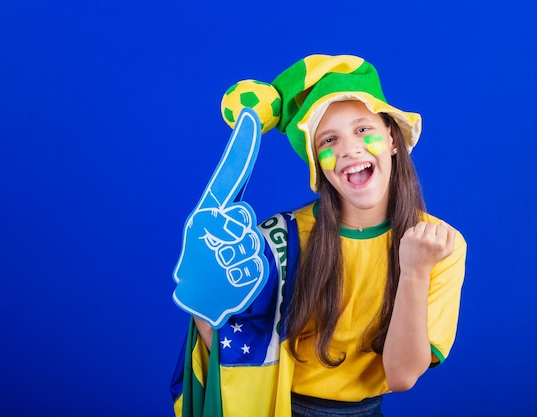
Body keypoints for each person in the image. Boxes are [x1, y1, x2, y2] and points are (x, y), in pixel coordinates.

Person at [170, 54, 467, 417]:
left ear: (392, 138)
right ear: (317, 163)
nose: (348, 149)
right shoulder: (280, 239)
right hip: (281, 408)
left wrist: (415, 271)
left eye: (362, 129)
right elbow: (237, 350)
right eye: (329, 140)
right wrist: (205, 300)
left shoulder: (440, 244)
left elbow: (402, 375)